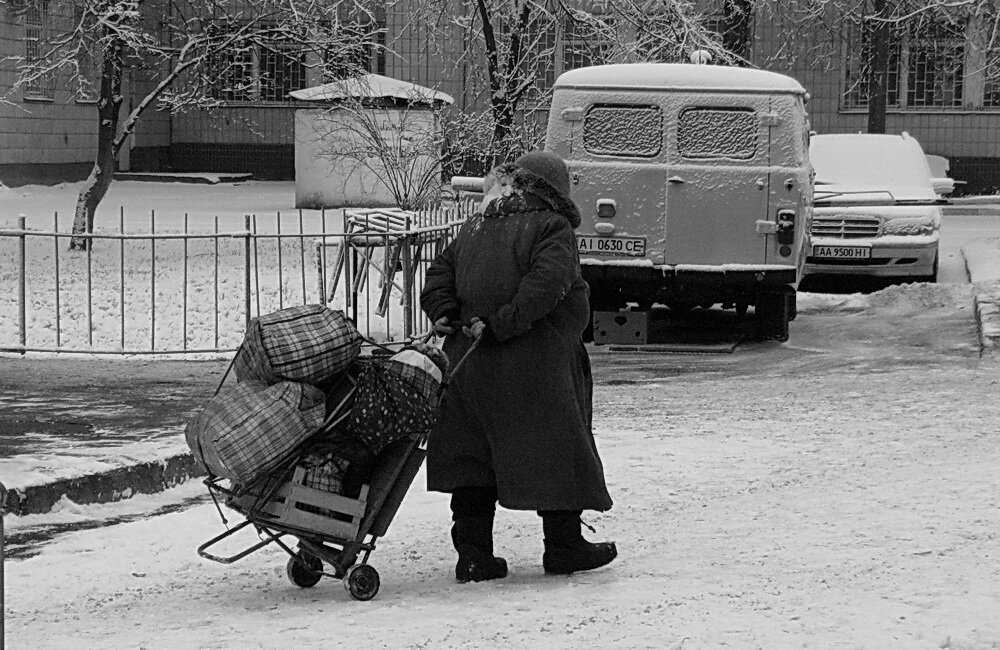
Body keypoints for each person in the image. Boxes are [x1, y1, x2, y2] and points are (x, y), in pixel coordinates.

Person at [420, 150, 617, 582]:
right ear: (554, 192)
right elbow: (547, 285)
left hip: (468, 367)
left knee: (473, 460)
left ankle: (473, 556)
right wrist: (501, 324)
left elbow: (437, 277)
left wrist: (447, 311)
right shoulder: (551, 226)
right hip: (534, 367)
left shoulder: (474, 227)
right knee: (556, 451)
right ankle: (564, 546)